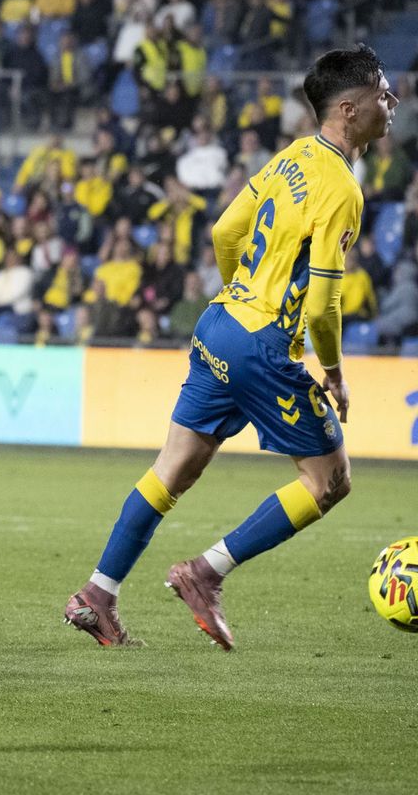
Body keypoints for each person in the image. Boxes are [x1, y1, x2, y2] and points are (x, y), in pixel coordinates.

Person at [65, 45, 396, 649]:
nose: (392, 101)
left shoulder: (292, 158)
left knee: (172, 471)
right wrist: (335, 373)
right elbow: (321, 303)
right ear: (349, 109)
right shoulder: (342, 189)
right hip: (264, 344)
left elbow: (224, 230)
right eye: (382, 92)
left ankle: (97, 594)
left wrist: (239, 290)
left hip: (220, 326)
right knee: (330, 480)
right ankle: (205, 573)